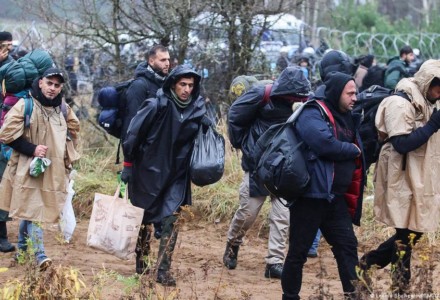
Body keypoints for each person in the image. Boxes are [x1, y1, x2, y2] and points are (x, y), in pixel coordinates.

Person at [224, 66, 317, 279]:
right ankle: (232, 244)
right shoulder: (262, 94)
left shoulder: (305, 101)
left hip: (286, 167)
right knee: (248, 212)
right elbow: (235, 116)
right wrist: (245, 146)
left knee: (282, 216)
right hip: (258, 165)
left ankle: (274, 262)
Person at [121, 65, 209, 286]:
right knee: (145, 218)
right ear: (173, 84)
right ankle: (141, 260)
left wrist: (208, 129)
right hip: (148, 170)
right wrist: (129, 164)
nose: (187, 89)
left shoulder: (197, 110)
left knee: (171, 218)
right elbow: (133, 134)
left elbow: (204, 141)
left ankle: (163, 269)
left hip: (177, 174)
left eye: (191, 85)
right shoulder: (155, 104)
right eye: (183, 84)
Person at [359, 59, 440, 296]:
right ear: (427, 83)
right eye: (438, 86)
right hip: (399, 176)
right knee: (406, 234)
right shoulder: (399, 102)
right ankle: (400, 286)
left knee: (414, 230)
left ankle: (370, 263)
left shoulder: (425, 101)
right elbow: (402, 144)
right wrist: (434, 124)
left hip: (418, 176)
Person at [281, 72, 365, 299]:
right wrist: (353, 151)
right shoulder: (312, 112)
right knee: (298, 252)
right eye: (350, 93)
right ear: (337, 93)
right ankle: (290, 296)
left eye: (355, 93)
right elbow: (323, 144)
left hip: (335, 198)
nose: (354, 98)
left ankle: (354, 295)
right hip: (311, 197)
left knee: (347, 248)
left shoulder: (347, 116)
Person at [0, 68, 80, 270]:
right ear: (41, 82)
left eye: (57, 85)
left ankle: (22, 253)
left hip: (53, 170)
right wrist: (32, 148)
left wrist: (64, 148)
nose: (52, 88)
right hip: (28, 168)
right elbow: (6, 134)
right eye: (49, 83)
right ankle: (40, 255)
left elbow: (74, 129)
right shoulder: (25, 105)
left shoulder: (62, 108)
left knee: (30, 209)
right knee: (35, 208)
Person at [122, 44, 170, 142]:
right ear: (151, 61)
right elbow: (132, 122)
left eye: (168, 59)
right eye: (163, 60)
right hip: (144, 146)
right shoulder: (139, 85)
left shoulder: (168, 83)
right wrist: (130, 152)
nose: (167, 63)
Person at [0, 31, 16, 253]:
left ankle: (1, 234)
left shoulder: (13, 68)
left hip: (3, 133)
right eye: (4, 46)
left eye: (10, 47)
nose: (8, 51)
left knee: (2, 183)